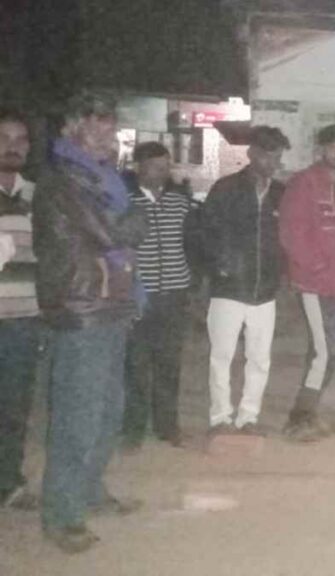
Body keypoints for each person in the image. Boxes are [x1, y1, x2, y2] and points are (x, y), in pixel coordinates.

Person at [34, 92, 149, 553]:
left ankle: (90, 491)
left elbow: (120, 228)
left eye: (110, 122)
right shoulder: (63, 179)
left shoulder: (99, 176)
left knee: (106, 412)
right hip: (82, 307)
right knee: (77, 417)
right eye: (98, 122)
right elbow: (111, 233)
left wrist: (130, 219)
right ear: (72, 125)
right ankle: (62, 515)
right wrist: (135, 218)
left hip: (110, 302)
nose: (108, 131)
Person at [203, 125, 289, 436]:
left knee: (260, 359)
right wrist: (220, 265)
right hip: (228, 288)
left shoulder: (281, 194)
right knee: (221, 356)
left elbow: (288, 237)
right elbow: (205, 233)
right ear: (252, 153)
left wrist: (281, 274)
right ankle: (220, 417)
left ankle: (248, 417)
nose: (273, 163)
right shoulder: (226, 188)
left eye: (277, 157)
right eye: (268, 156)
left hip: (265, 290)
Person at [277, 124, 335, 441]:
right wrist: (316, 267)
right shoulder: (305, 183)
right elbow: (291, 234)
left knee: (324, 352)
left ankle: (307, 415)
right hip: (313, 284)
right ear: (320, 150)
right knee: (325, 353)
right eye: (334, 148)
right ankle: (298, 420)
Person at [121, 142, 194, 451]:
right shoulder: (126, 202)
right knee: (136, 364)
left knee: (169, 363)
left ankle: (168, 426)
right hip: (140, 294)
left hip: (174, 294)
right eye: (155, 167)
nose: (162, 173)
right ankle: (133, 429)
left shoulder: (179, 202)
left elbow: (192, 242)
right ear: (138, 167)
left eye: (166, 167)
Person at [0, 108, 41, 510]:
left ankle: (8, 482)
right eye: (4, 138)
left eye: (20, 140)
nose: (12, 147)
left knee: (14, 407)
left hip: (24, 320)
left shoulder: (37, 196)